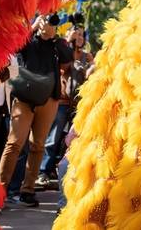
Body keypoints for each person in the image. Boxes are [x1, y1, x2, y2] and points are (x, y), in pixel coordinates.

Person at [0, 13, 73, 208]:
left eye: (51, 23)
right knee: (14, 144)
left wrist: (54, 36)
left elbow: (68, 59)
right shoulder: (28, 38)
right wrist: (32, 28)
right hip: (24, 99)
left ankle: (27, 191)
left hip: (49, 100)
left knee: (38, 145)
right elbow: (13, 48)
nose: (48, 25)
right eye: (45, 20)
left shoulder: (56, 43)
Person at [37, 23, 94, 188]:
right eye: (76, 33)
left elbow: (95, 71)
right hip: (62, 102)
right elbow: (61, 66)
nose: (79, 37)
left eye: (82, 35)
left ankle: (67, 171)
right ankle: (43, 172)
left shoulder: (87, 55)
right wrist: (68, 43)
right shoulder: (63, 51)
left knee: (71, 139)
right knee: (52, 138)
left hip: (80, 105)